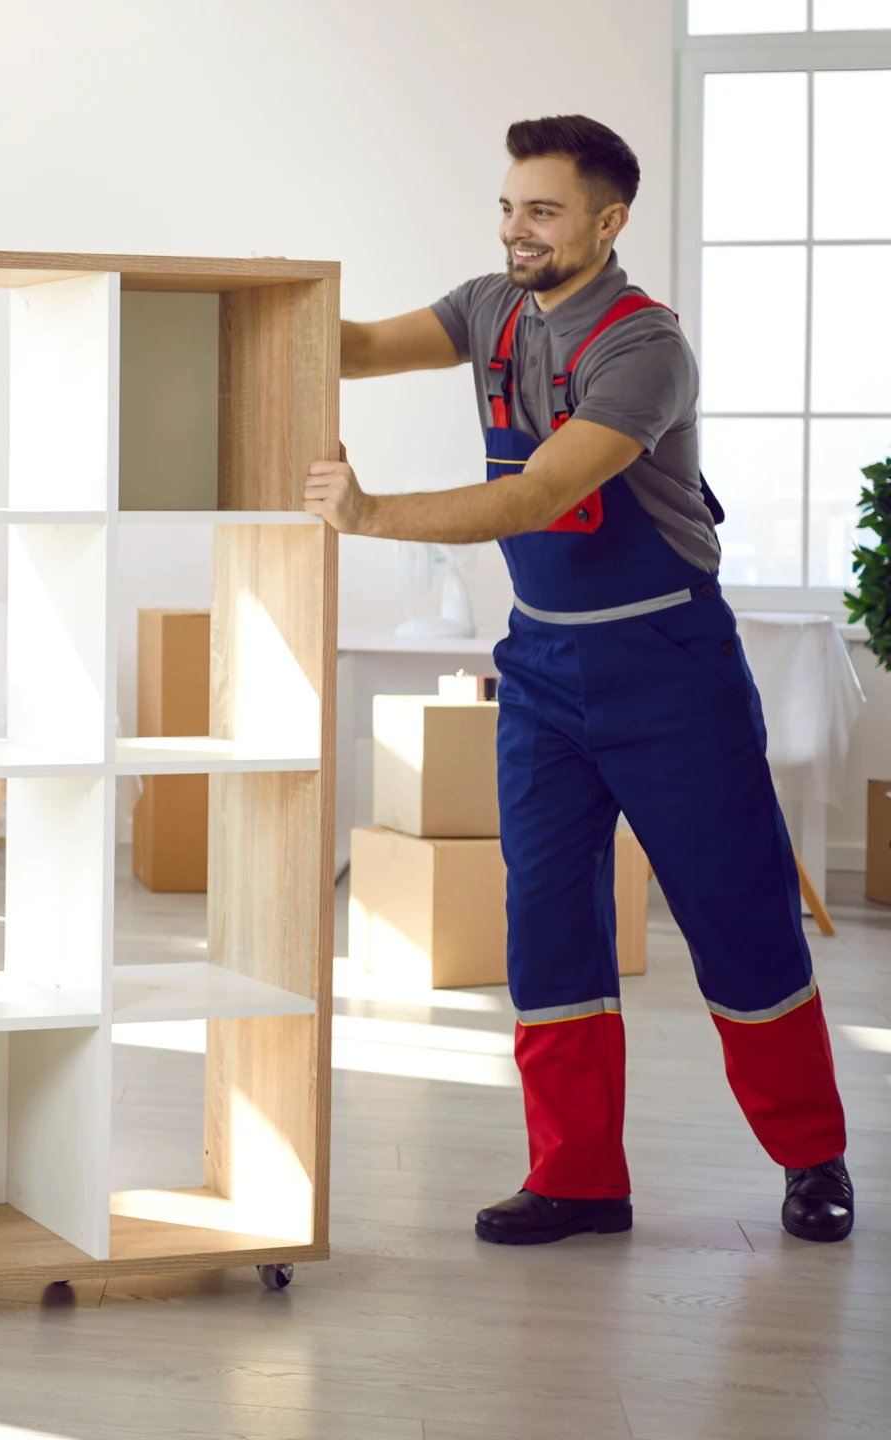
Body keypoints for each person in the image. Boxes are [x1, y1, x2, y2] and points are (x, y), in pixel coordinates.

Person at [308, 115, 852, 1247]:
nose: (515, 230)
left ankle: (811, 1159)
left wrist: (367, 516)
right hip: (542, 665)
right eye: (508, 206)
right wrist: (231, 299)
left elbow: (533, 496)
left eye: (542, 211)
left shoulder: (643, 345)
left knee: (736, 918)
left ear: (607, 224)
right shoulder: (486, 307)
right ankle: (576, 1179)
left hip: (667, 665)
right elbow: (351, 345)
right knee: (547, 924)